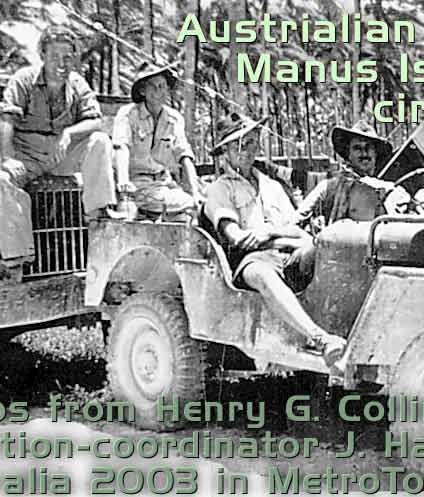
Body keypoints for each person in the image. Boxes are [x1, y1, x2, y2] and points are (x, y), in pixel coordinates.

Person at [204, 112, 346, 366]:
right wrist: (265, 237)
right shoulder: (220, 189)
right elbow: (235, 237)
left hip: (289, 252)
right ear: (224, 151)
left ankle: (348, 329)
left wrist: (270, 233)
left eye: (253, 142)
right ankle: (320, 339)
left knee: (331, 249)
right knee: (261, 273)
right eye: (241, 145)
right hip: (252, 262)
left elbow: (299, 231)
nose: (249, 150)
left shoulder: (272, 185)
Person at [0, 25, 116, 275]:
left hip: (62, 153)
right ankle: (18, 258)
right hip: (28, 153)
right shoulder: (23, 80)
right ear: (42, 55)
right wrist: (7, 158)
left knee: (100, 141)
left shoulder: (77, 83)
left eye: (68, 57)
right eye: (54, 56)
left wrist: (70, 133)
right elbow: (6, 121)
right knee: (4, 179)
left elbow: (96, 120)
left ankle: (97, 217)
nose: (61, 63)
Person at [112, 62, 202, 219]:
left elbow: (184, 154)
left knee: (194, 210)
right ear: (142, 91)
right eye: (153, 86)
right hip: (135, 185)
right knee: (128, 216)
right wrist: (123, 181)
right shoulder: (128, 115)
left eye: (162, 86)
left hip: (164, 184)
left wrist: (196, 192)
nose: (158, 91)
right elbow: (122, 148)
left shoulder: (174, 119)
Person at [297, 120, 405, 227]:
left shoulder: (390, 190)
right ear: (348, 154)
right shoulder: (329, 188)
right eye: (357, 148)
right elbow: (296, 220)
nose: (364, 153)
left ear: (376, 154)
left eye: (369, 147)